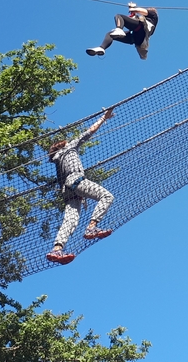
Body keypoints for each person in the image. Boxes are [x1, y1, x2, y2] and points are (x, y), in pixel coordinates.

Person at [45, 108, 116, 265]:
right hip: (75, 180)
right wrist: (104, 118)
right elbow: (89, 132)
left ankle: (56, 249)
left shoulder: (57, 159)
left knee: (70, 221)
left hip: (68, 191)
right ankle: (92, 227)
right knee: (107, 196)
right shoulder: (69, 147)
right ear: (61, 145)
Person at [86, 2, 159, 60]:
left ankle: (119, 29)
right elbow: (131, 20)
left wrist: (133, 8)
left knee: (119, 16)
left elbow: (140, 11)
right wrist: (133, 12)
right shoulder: (142, 18)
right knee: (111, 34)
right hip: (136, 37)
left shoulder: (153, 15)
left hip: (142, 29)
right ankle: (102, 48)